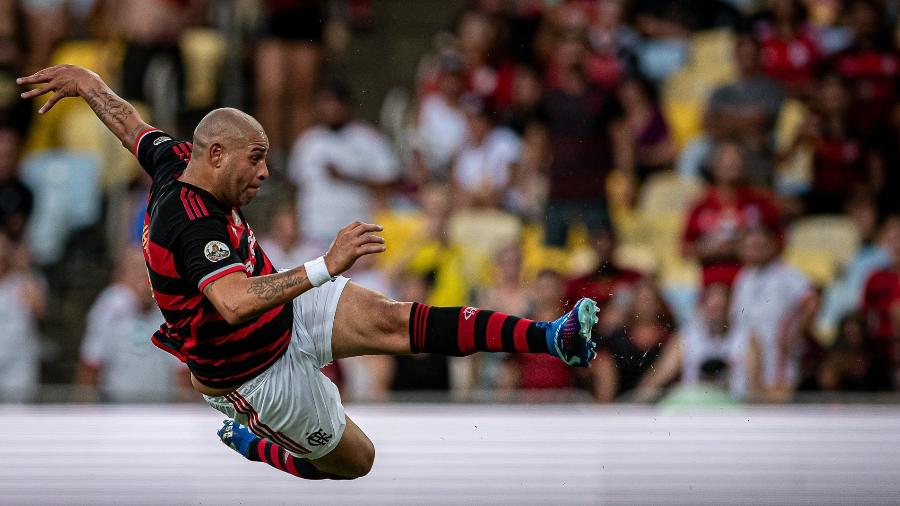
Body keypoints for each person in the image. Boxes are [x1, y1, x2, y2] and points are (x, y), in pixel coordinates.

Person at [19, 64, 600, 480]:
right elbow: (236, 301)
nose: (267, 172)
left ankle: (553, 337)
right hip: (251, 375)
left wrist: (88, 83)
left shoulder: (176, 159)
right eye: (257, 157)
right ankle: (256, 445)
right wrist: (326, 265)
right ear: (216, 155)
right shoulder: (190, 222)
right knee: (354, 463)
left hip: (287, 312)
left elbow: (128, 125)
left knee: (397, 321)